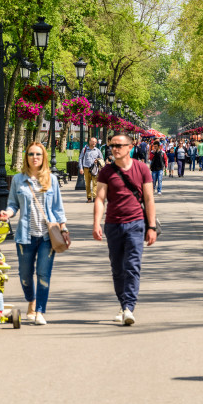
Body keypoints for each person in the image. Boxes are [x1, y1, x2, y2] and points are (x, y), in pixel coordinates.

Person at [0, 142, 68, 325]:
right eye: (31, 154)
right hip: (25, 235)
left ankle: (39, 311)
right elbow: (13, 204)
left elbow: (58, 208)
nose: (35, 157)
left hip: (48, 236)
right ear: (26, 157)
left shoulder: (52, 179)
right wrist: (8, 213)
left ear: (43, 156)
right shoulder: (18, 179)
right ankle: (31, 300)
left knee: (43, 274)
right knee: (25, 275)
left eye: (38, 154)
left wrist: (64, 228)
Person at [94, 133, 158, 326]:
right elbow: (100, 198)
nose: (115, 149)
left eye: (119, 145)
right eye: (113, 145)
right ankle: (123, 305)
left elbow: (148, 199)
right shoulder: (106, 171)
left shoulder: (142, 169)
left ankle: (129, 306)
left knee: (132, 265)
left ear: (130, 147)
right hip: (113, 224)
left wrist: (152, 226)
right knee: (117, 268)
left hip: (136, 223)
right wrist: (97, 223)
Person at [79, 137, 105, 203]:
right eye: (93, 142)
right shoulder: (84, 149)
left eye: (95, 142)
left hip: (94, 169)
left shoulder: (97, 150)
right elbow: (80, 159)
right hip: (86, 169)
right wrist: (81, 168)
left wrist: (98, 160)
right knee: (87, 184)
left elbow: (102, 159)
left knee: (95, 183)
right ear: (89, 142)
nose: (94, 143)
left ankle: (95, 197)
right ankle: (89, 197)